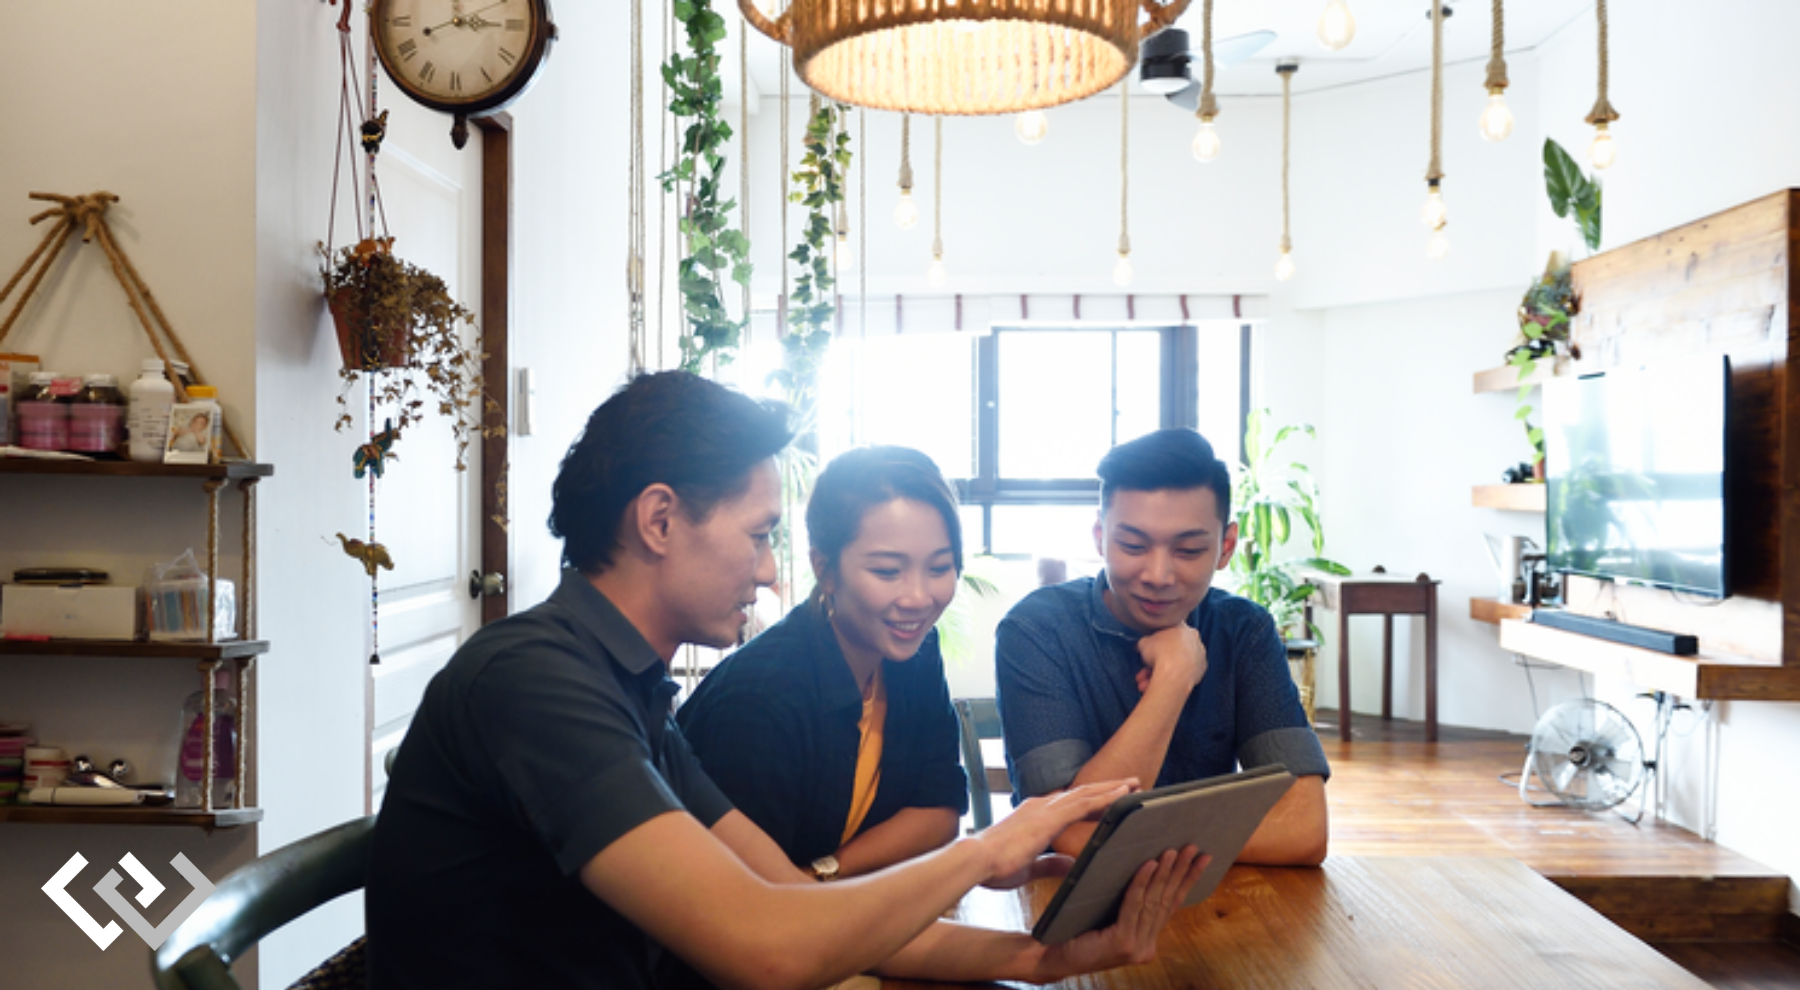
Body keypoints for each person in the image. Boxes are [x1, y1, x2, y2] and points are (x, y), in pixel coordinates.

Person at [367, 371, 1209, 990]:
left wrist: (1046, 958)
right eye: (759, 534)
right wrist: (981, 854)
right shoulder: (536, 684)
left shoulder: (631, 693)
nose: (772, 573)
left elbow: (792, 901)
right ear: (660, 521)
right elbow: (767, 947)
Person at [995, 427, 1331, 866]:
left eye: (1188, 550)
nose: (1157, 574)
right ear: (1100, 537)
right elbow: (1063, 835)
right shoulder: (1037, 630)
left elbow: (1304, 829)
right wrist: (1173, 679)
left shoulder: (1242, 630)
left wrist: (1127, 843)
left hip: (1208, 900)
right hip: (1061, 908)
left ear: (1225, 547)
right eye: (1133, 545)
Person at [678, 446, 967, 880]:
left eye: (940, 567)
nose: (918, 598)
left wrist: (823, 875)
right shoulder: (761, 697)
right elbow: (747, 895)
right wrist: (813, 892)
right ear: (824, 570)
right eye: (888, 572)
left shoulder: (913, 653)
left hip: (843, 916)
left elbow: (939, 813)